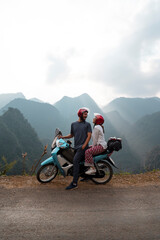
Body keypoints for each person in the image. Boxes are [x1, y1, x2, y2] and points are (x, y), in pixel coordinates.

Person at [60, 107, 92, 190]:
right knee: (76, 161)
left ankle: (74, 183)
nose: (86, 115)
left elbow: (89, 135)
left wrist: (84, 145)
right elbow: (71, 135)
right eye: (85, 114)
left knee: (75, 161)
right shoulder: (73, 124)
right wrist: (63, 137)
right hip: (76, 147)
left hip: (83, 147)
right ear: (80, 114)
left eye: (87, 114)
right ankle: (86, 175)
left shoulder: (87, 124)